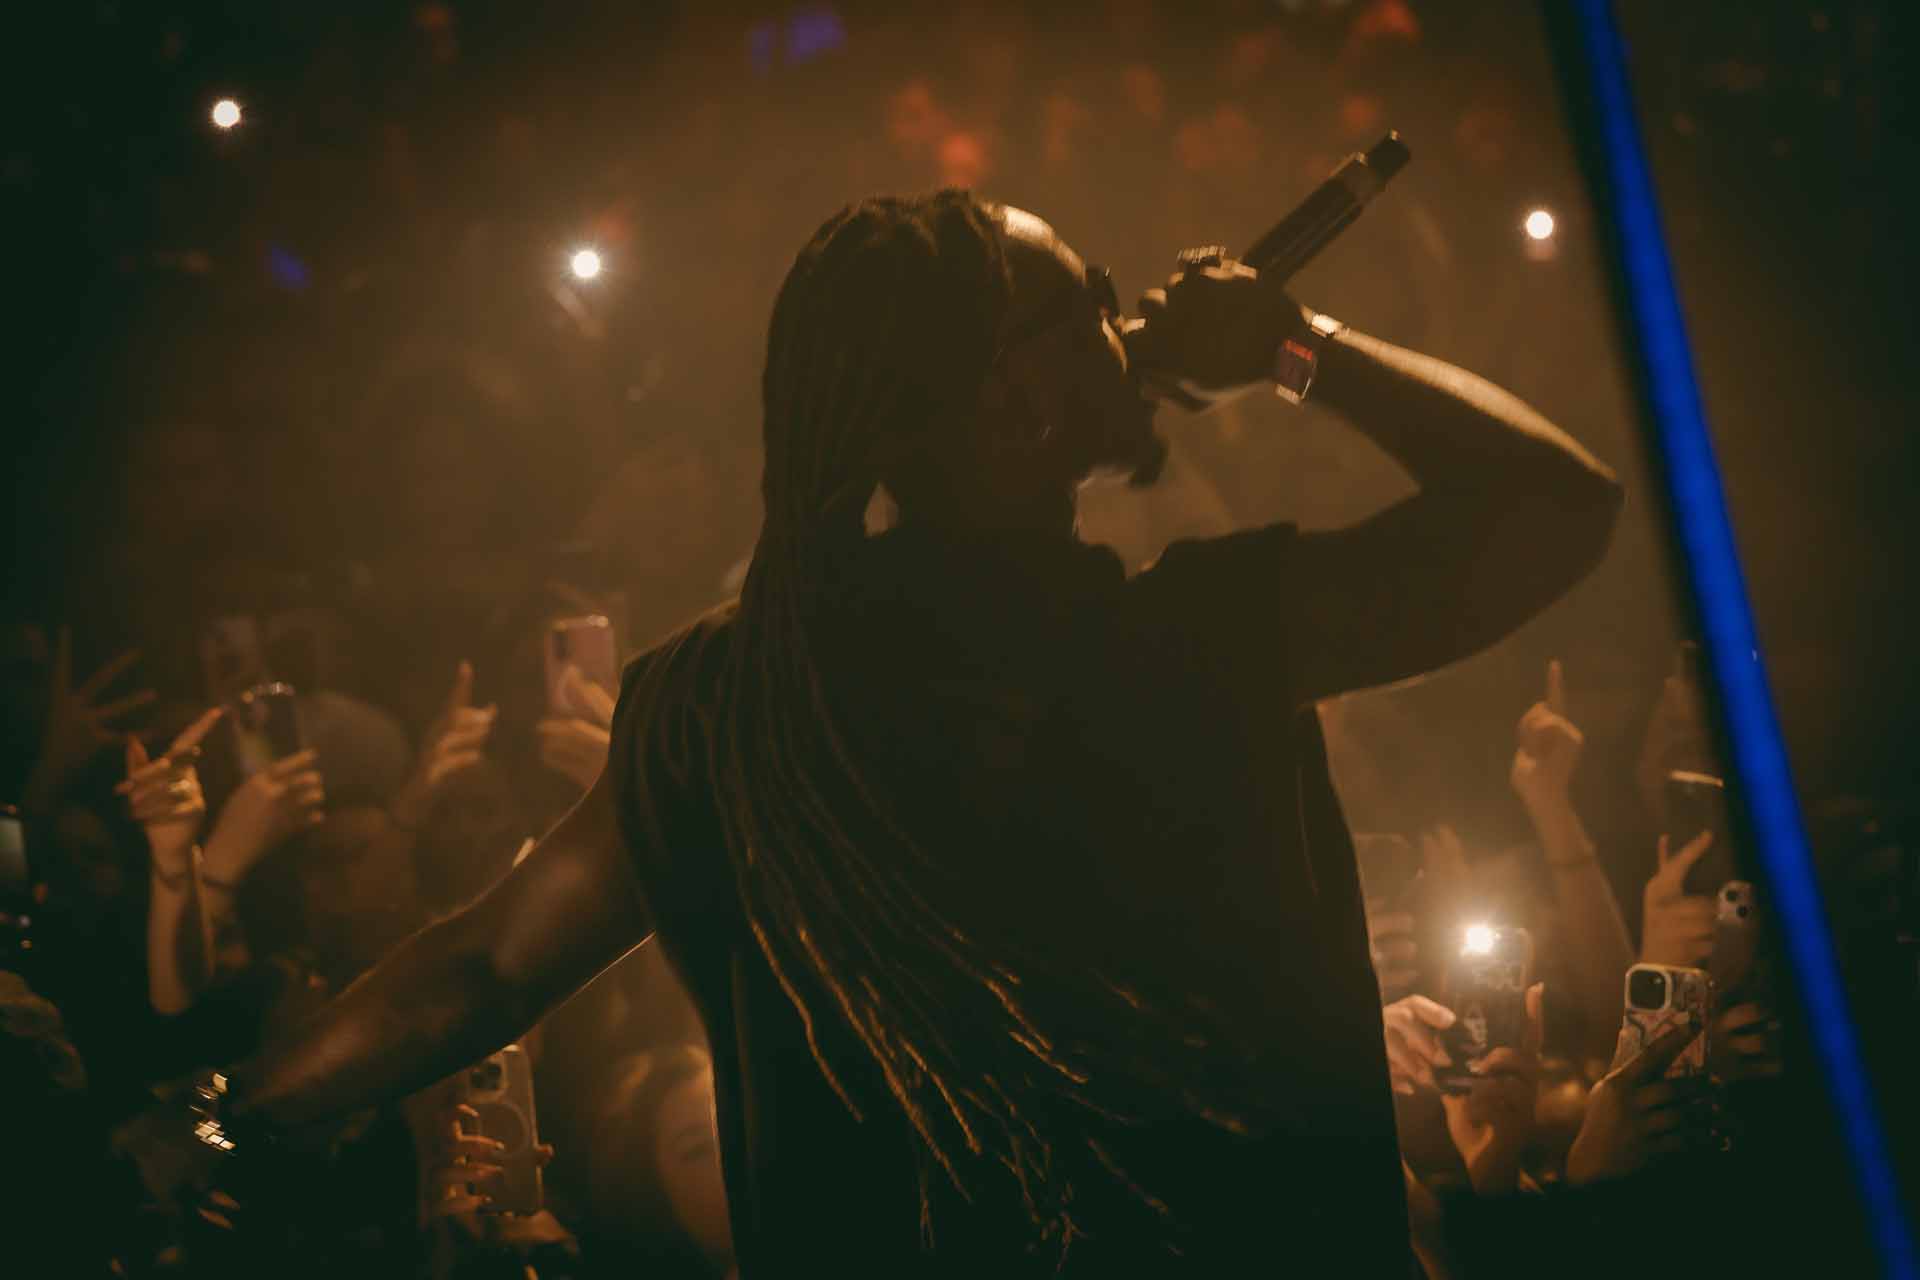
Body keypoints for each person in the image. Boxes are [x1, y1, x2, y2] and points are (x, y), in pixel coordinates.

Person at [189, 190, 1621, 1274]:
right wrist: (1296, 348)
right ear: (1012, 404)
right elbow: (1557, 508)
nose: (1129, 311)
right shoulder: (1201, 639)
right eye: (1084, 300)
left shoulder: (733, 701)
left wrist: (217, 1121)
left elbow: (484, 970)